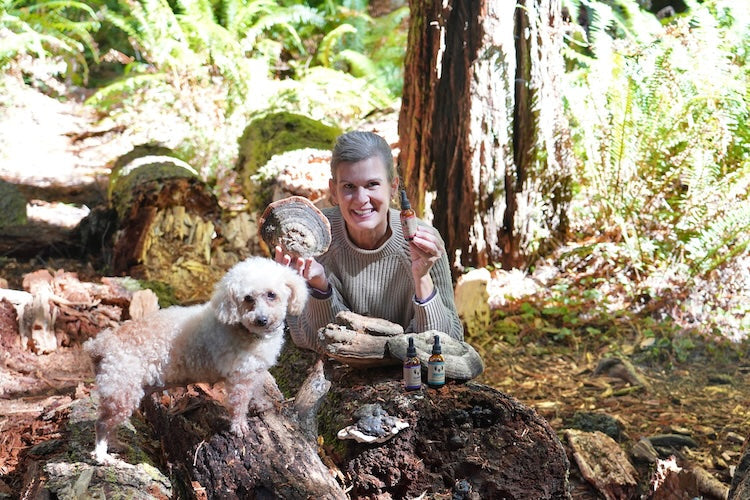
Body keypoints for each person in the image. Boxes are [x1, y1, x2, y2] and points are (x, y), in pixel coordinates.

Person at [275, 130, 463, 353]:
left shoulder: (423, 241)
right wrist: (320, 288)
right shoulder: (311, 237)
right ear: (333, 190)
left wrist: (422, 277)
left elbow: (448, 342)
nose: (361, 199)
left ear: (393, 187)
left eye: (372, 184)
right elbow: (307, 338)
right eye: (349, 187)